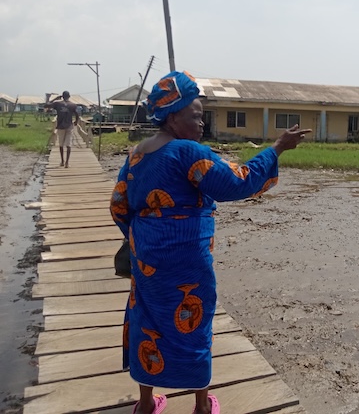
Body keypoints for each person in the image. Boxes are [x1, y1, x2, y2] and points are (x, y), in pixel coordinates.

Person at [110, 71, 311, 414]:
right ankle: (201, 406)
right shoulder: (188, 152)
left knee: (148, 319)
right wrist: (277, 148)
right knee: (194, 325)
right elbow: (235, 184)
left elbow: (118, 206)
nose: (202, 123)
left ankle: (146, 404)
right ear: (173, 116)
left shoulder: (138, 153)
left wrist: (144, 237)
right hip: (188, 257)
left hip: (147, 258)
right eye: (196, 115)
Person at [44, 91, 79, 167]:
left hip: (60, 126)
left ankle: (62, 161)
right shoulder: (73, 105)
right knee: (68, 145)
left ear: (62, 97)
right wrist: (76, 121)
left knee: (61, 145)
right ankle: (67, 163)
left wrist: (53, 98)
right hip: (69, 126)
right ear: (69, 96)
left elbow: (46, 105)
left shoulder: (58, 104)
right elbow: (77, 114)